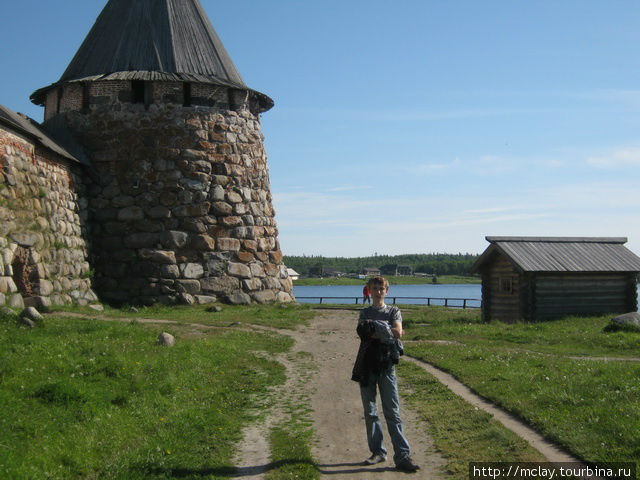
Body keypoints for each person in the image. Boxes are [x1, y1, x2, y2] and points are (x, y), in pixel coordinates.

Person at [351, 275, 420, 472]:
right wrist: (385, 331)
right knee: (370, 411)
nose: (378, 292)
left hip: (387, 366)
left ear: (386, 291)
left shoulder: (393, 311)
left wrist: (377, 329)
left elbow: (398, 332)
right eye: (375, 288)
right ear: (369, 291)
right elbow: (363, 333)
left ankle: (402, 456)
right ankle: (378, 452)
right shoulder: (364, 312)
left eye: (381, 288)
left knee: (393, 412)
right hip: (366, 365)